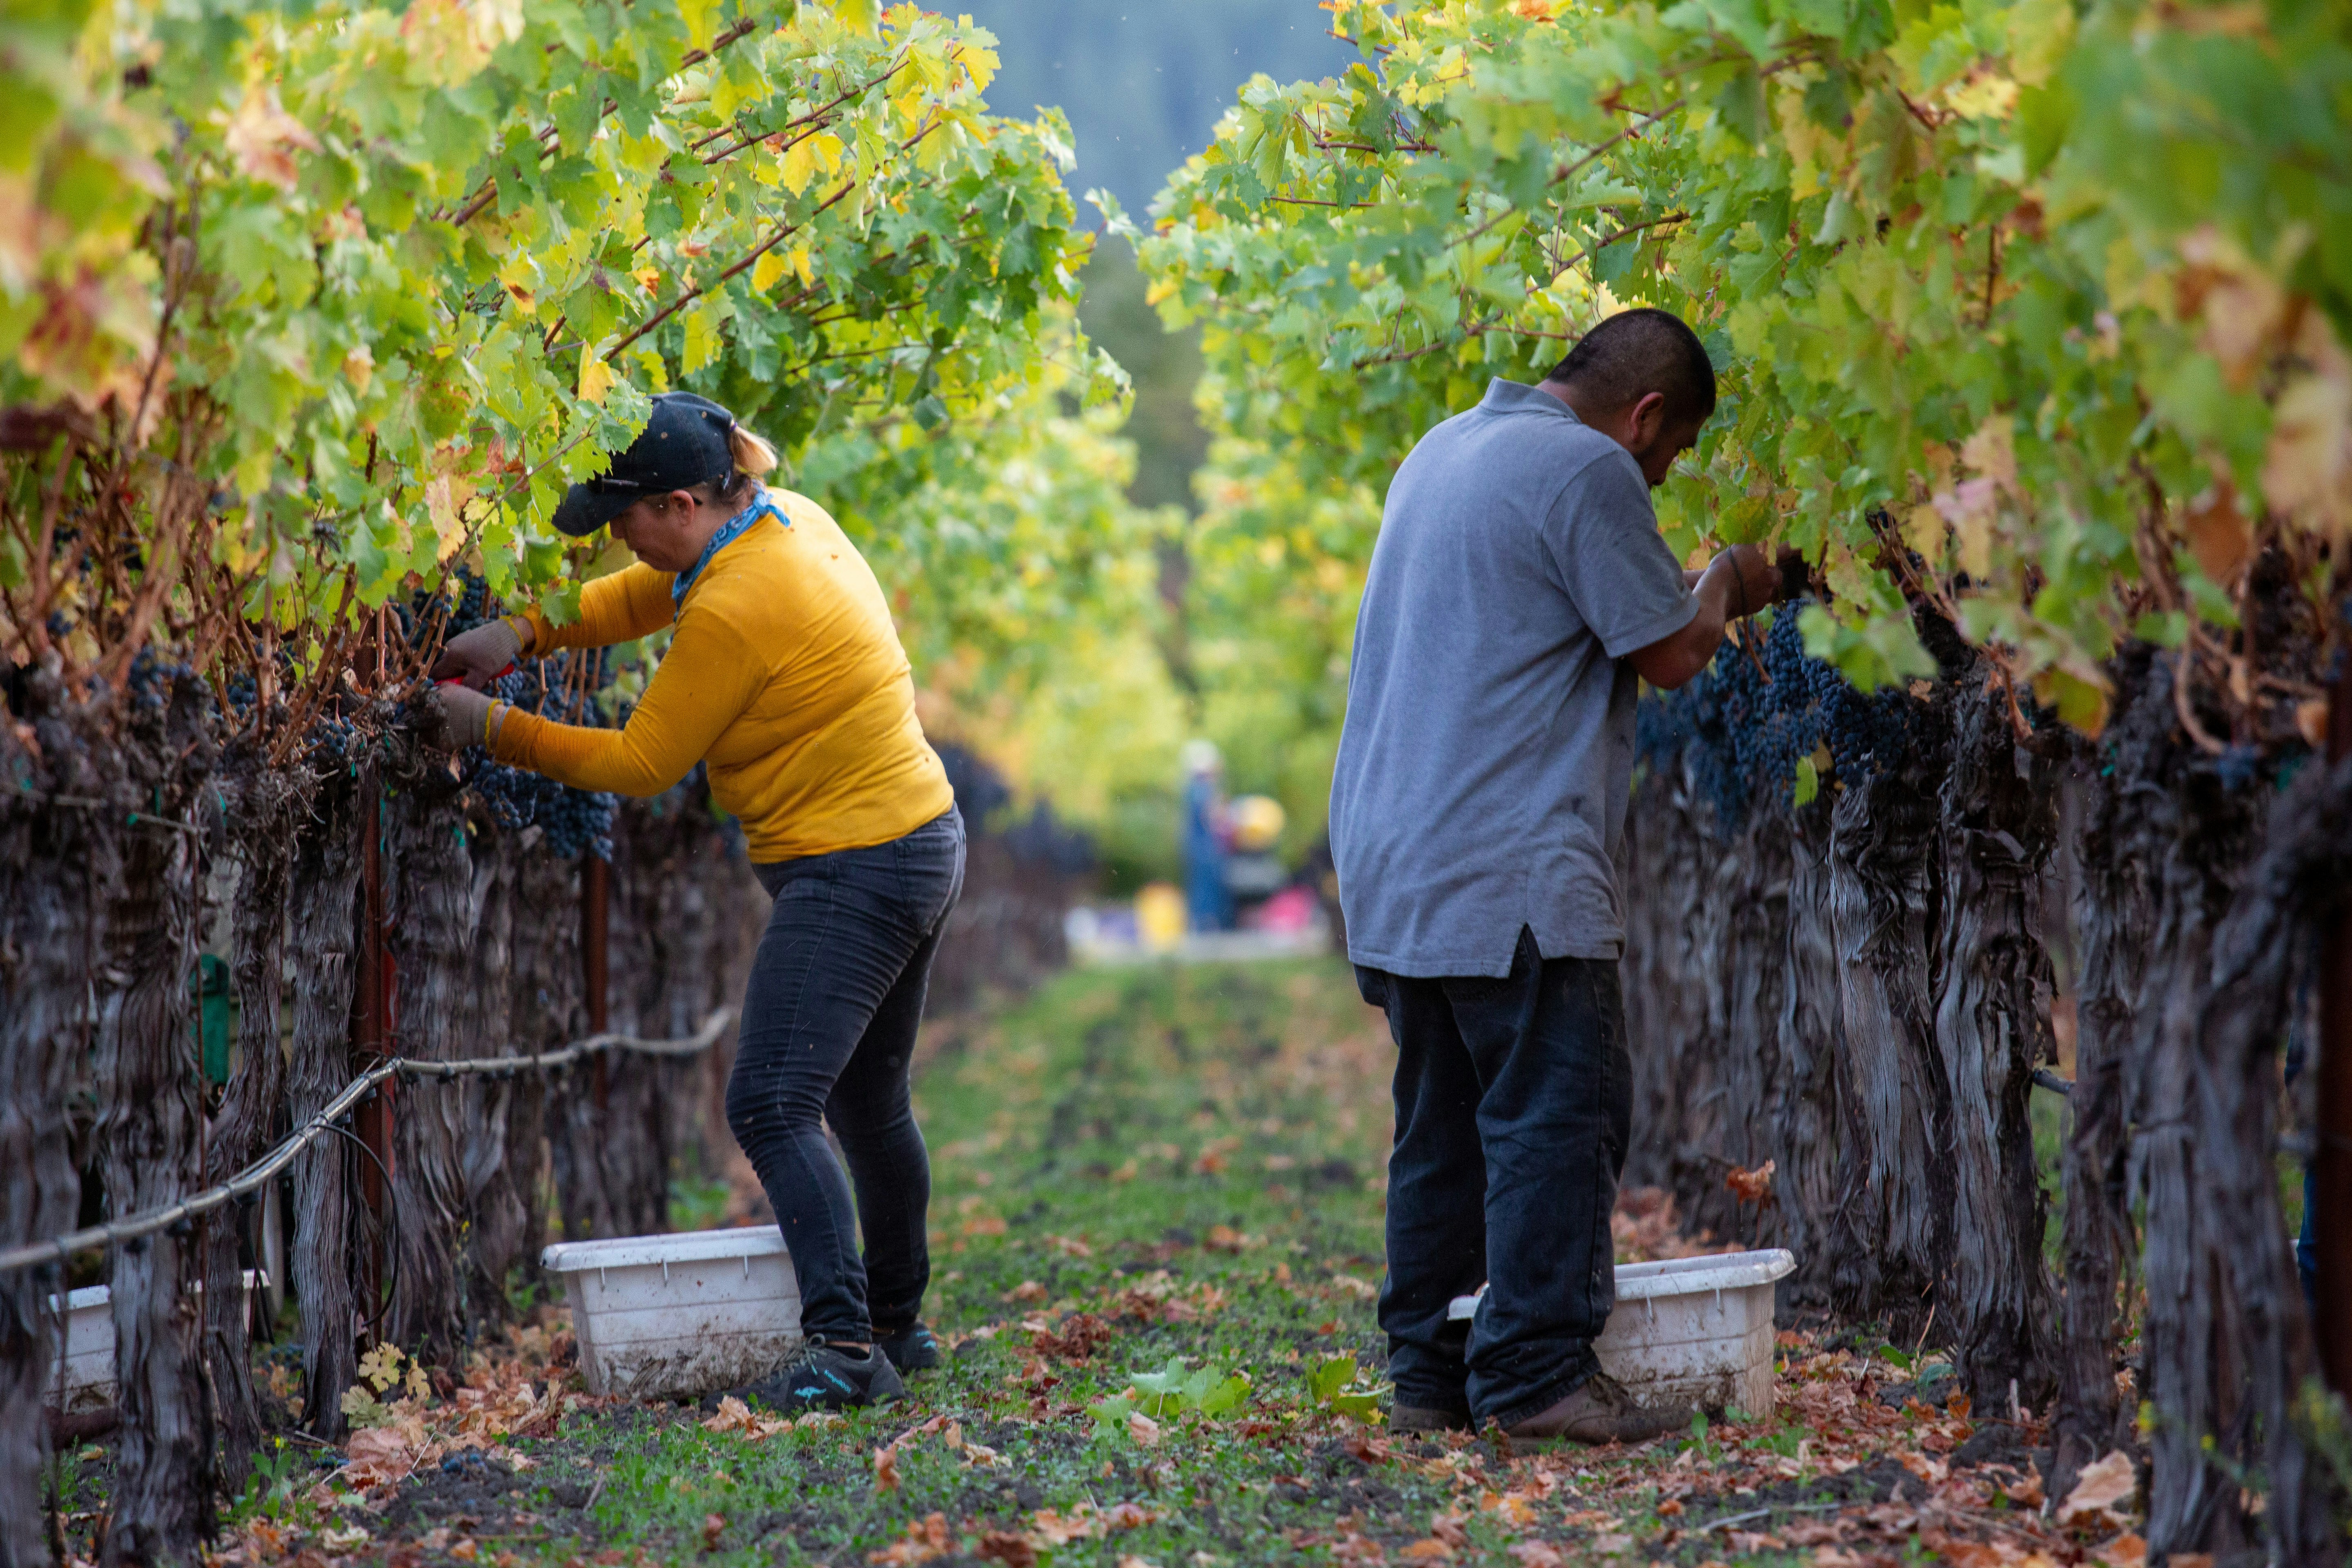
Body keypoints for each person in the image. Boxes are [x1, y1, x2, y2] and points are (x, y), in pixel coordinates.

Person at [428, 392, 963, 1414]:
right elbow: (647, 593)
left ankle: (846, 1348)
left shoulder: (738, 604)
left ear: (681, 503)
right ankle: (896, 1325)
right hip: (916, 837)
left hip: (857, 864)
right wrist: (525, 631)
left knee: (769, 1103)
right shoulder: (780, 519)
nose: (618, 536)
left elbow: (643, 762)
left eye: (626, 516)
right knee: (867, 1102)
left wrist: (486, 726)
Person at [1328, 309, 1782, 1443]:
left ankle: (1429, 1379)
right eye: (1675, 453)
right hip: (1510, 863)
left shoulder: (1444, 448)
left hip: (1398, 856)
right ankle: (1536, 1377)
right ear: (1645, 417)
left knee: (1441, 1129)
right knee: (1559, 1115)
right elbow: (1671, 652)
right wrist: (1733, 578)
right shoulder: (1585, 467)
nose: (1664, 477)